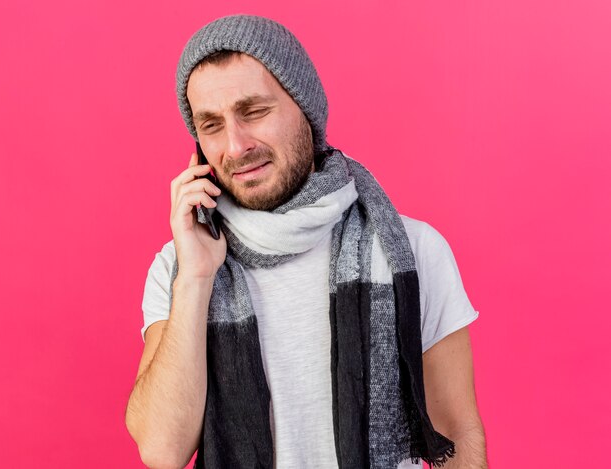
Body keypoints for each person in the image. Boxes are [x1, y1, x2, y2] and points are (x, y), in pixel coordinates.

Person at [125, 14, 487, 469]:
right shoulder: (179, 269)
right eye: (211, 125)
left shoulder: (412, 250)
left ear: (306, 111)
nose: (235, 146)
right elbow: (162, 450)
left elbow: (455, 430)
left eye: (254, 112)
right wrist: (195, 279)